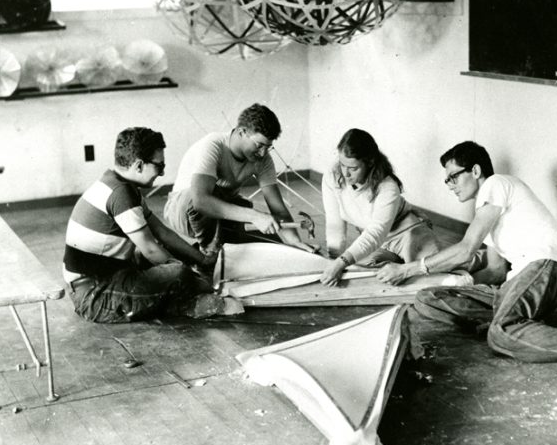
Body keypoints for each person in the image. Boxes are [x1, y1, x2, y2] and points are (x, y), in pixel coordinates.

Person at [376, 141, 557, 379]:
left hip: (546, 268)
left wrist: (410, 268)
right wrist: (456, 282)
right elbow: (494, 270)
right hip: (519, 281)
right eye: (447, 180)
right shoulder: (488, 210)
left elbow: (466, 249)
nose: (450, 186)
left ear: (476, 171)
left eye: (453, 178)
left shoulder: (495, 184)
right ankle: (516, 328)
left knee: (499, 333)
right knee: (427, 298)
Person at [63, 127, 230, 323]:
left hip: (100, 280)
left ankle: (176, 292)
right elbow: (150, 249)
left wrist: (202, 260)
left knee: (171, 258)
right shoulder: (121, 194)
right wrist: (194, 278)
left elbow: (161, 232)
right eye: (159, 166)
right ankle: (181, 302)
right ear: (139, 165)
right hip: (94, 295)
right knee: (177, 272)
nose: (162, 173)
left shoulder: (117, 183)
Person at [164, 104, 316, 258]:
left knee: (272, 241)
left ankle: (220, 243)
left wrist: (294, 241)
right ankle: (206, 253)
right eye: (259, 145)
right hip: (183, 211)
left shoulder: (263, 159)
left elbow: (277, 208)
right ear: (241, 131)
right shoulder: (212, 145)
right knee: (208, 198)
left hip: (217, 214)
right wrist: (255, 216)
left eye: (268, 147)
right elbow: (200, 201)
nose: (263, 153)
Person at [320, 128, 443, 287]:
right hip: (383, 243)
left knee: (435, 279)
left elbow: (376, 232)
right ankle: (395, 262)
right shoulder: (332, 176)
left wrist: (341, 262)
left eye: (353, 168)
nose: (346, 174)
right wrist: (334, 260)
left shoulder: (388, 186)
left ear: (369, 162)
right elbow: (334, 223)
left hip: (409, 234)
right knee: (364, 278)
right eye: (342, 165)